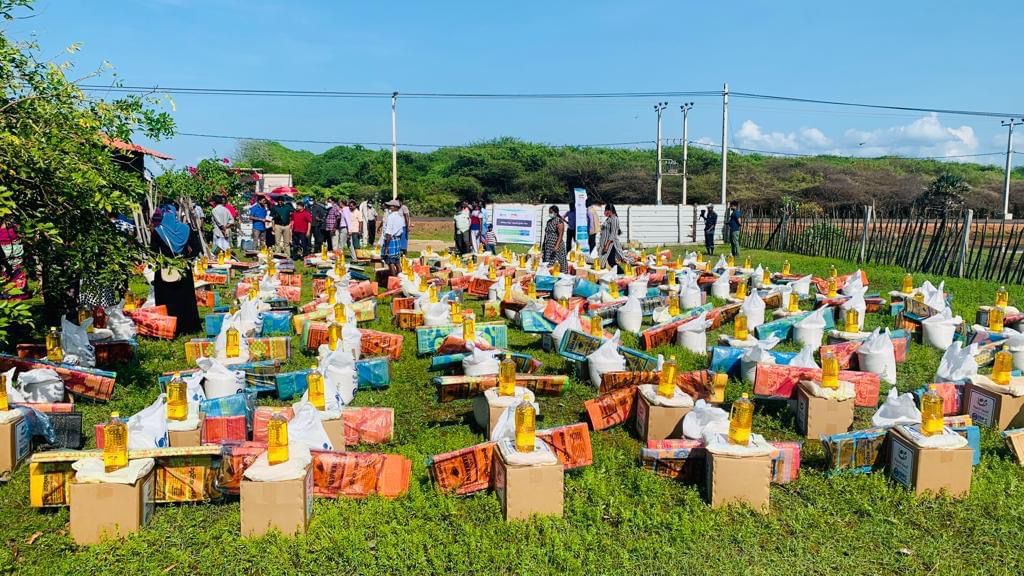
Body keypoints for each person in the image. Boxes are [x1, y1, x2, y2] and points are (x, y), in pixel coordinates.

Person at [149, 206, 202, 336]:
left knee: (167, 299)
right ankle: (188, 326)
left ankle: (168, 328)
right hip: (183, 268)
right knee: (185, 298)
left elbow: (154, 252)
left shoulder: (158, 231)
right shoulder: (186, 229)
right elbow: (197, 248)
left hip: (166, 269)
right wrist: (187, 260)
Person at [380, 199, 406, 276]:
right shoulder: (400, 217)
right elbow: (401, 231)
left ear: (395, 207)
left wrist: (386, 246)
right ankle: (401, 280)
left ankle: (393, 280)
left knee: (390, 262)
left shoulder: (391, 217)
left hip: (390, 240)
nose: (389, 207)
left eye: (390, 206)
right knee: (397, 262)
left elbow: (388, 232)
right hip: (397, 240)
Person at [598, 202, 623, 272]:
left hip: (610, 244)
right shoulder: (609, 218)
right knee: (608, 260)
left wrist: (607, 245)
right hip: (605, 244)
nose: (604, 212)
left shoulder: (615, 219)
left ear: (610, 210)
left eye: (606, 210)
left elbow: (613, 234)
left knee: (611, 261)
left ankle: (621, 273)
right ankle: (616, 273)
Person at [542, 205, 567, 271]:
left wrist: (556, 246)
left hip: (556, 246)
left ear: (556, 213)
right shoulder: (549, 222)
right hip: (548, 246)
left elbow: (560, 235)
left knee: (556, 263)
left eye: (551, 212)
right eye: (549, 212)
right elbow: (546, 234)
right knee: (548, 263)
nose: (550, 213)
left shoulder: (559, 222)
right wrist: (543, 245)